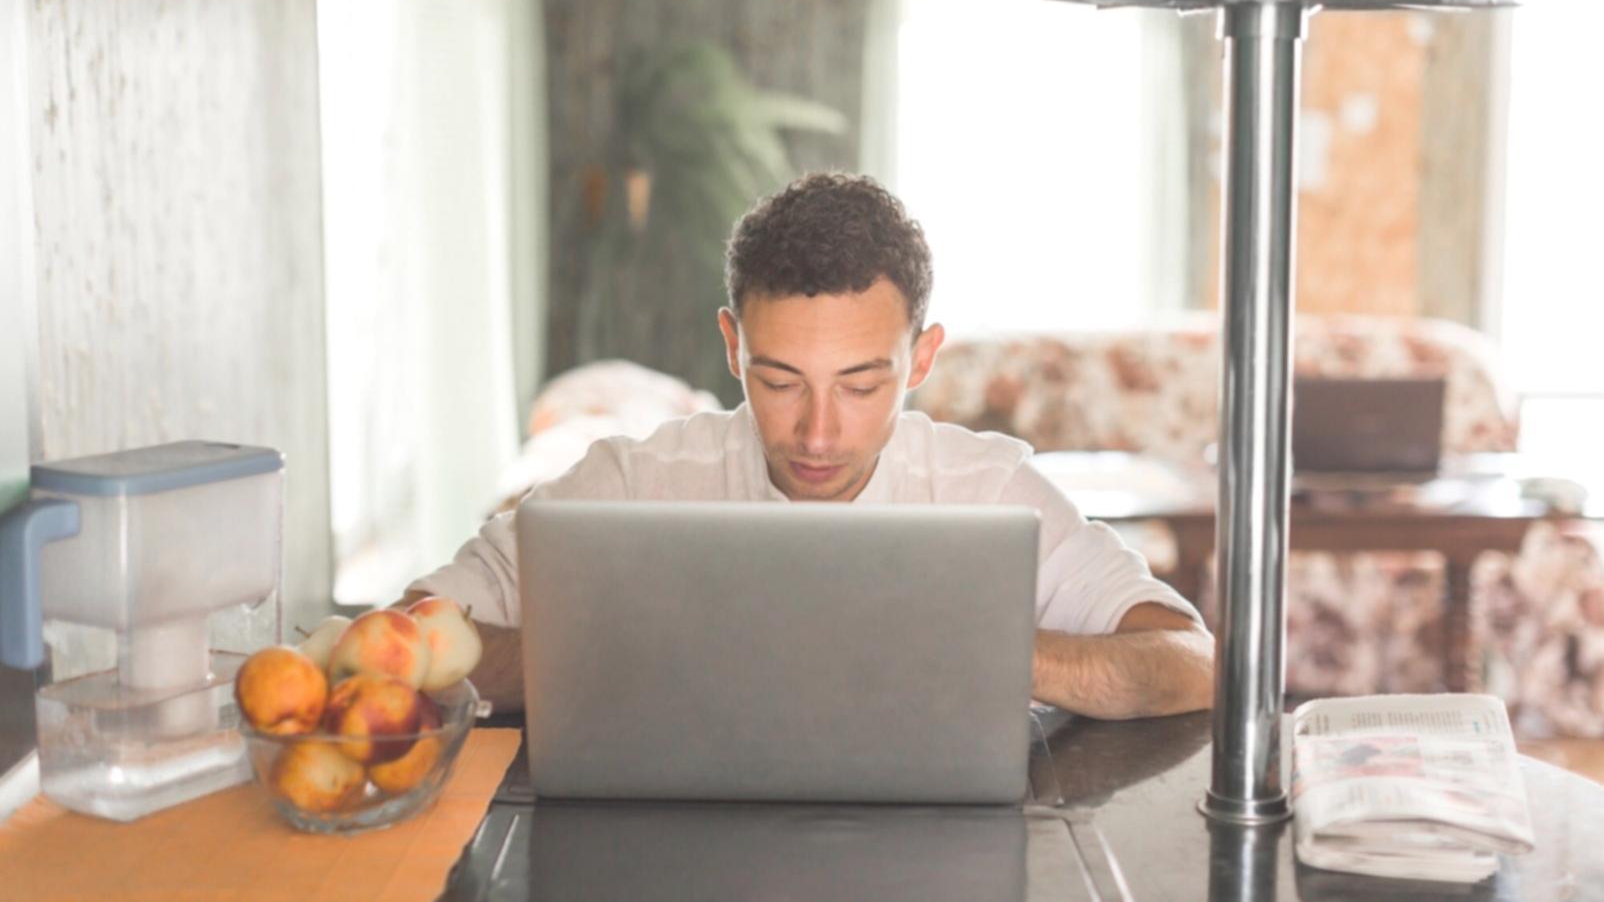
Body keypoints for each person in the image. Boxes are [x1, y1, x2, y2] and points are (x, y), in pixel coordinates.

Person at [401, 172, 1214, 717]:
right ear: (731, 347)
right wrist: (644, 658)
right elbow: (410, 629)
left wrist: (987, 649)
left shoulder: (987, 488)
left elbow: (1191, 660)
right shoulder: (635, 476)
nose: (817, 433)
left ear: (921, 359)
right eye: (781, 379)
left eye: (860, 385)